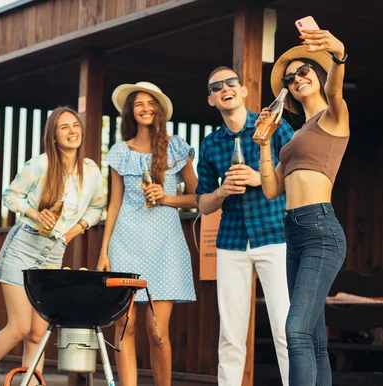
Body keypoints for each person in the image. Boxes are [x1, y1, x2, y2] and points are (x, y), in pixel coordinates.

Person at [0, 106, 106, 386]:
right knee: (20, 326)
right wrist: (35, 214)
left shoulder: (91, 170)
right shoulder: (41, 164)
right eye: (64, 127)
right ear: (53, 136)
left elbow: (98, 207)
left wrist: (78, 229)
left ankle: (29, 384)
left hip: (54, 253)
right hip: (24, 245)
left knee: (38, 332)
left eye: (75, 125)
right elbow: (11, 197)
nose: (72, 131)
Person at [258, 29, 349, 386]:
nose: (296, 79)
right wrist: (264, 141)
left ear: (318, 73)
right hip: (293, 231)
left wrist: (338, 55)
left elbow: (336, 89)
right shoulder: (296, 136)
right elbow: (270, 189)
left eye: (303, 71)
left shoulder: (333, 116)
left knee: (294, 330)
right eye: (289, 78)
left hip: (320, 229)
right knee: (313, 339)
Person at [196, 67, 294, 386]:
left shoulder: (275, 127)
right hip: (231, 243)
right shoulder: (210, 145)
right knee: (231, 334)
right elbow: (203, 203)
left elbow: (299, 173)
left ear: (243, 91)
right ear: (211, 99)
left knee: (285, 328)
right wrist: (223, 191)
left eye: (231, 83)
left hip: (275, 237)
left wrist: (260, 177)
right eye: (217, 86)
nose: (225, 88)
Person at [96, 81, 197, 386]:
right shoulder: (118, 152)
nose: (145, 108)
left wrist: (166, 197)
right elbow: (113, 205)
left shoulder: (176, 146)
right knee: (125, 326)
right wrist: (104, 252)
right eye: (139, 104)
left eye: (151, 103)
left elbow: (198, 196)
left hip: (164, 245)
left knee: (157, 331)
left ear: (159, 109)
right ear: (131, 111)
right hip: (125, 243)